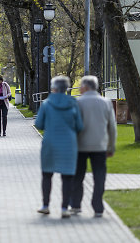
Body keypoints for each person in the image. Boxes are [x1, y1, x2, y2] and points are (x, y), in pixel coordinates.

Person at [35, 76, 83, 218]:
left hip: (50, 143)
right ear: (66, 88)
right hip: (69, 144)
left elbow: (38, 124)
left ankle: (45, 205)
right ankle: (64, 208)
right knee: (67, 177)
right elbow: (79, 125)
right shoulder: (74, 103)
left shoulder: (47, 103)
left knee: (47, 175)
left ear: (54, 88)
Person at [70, 75, 117, 218]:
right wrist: (111, 146)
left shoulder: (77, 102)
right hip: (99, 146)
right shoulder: (106, 102)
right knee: (99, 176)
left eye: (80, 85)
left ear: (85, 87)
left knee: (78, 176)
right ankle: (98, 207)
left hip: (80, 146)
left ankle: (76, 205)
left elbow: (71, 126)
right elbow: (112, 127)